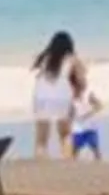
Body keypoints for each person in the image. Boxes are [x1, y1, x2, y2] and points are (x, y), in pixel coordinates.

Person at [31, 31, 104, 159]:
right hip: (61, 96)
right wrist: (78, 90)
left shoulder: (44, 57)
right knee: (65, 135)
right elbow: (82, 81)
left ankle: (41, 164)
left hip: (40, 96)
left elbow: (40, 77)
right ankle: (67, 163)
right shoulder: (72, 59)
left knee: (41, 139)